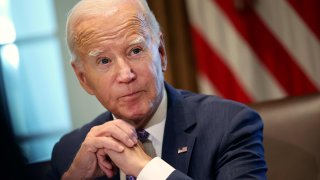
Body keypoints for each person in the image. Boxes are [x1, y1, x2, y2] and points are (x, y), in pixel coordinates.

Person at [48, 0, 267, 179]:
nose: (126, 74)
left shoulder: (230, 126)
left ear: (161, 53)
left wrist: (147, 169)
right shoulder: (69, 152)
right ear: (83, 78)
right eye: (104, 61)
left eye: (135, 50)